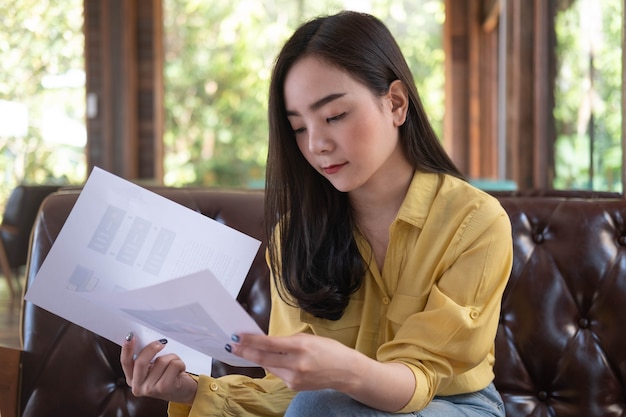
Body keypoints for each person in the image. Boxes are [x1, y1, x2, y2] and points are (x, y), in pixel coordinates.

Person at [121, 10, 513, 417]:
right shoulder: (295, 234)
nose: (317, 144)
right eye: (299, 128)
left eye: (334, 116)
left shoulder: (476, 222)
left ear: (395, 103)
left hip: (453, 404)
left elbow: (422, 377)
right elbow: (289, 393)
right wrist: (187, 390)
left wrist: (344, 371)